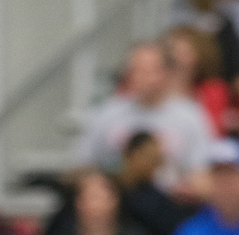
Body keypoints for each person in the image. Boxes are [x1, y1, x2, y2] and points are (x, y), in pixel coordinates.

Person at [73, 42, 214, 195]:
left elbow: (203, 172)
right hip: (120, 201)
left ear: (166, 73)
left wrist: (188, 189)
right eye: (136, 70)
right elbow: (83, 164)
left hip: (170, 203)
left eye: (149, 71)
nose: (142, 77)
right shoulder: (108, 113)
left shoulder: (189, 115)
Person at [118, 132, 198, 235]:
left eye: (157, 158)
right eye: (149, 157)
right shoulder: (115, 194)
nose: (155, 164)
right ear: (129, 155)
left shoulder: (157, 196)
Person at [164, 25, 235, 136]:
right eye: (171, 51)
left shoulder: (214, 90)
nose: (176, 58)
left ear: (200, 56)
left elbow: (212, 131)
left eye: (184, 53)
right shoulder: (152, 86)